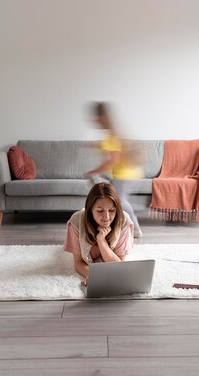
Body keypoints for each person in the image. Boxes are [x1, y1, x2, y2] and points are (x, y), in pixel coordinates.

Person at [84, 101, 144, 238]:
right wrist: (92, 146)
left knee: (121, 202)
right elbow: (110, 148)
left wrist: (94, 171)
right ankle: (128, 221)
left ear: (101, 118)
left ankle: (135, 228)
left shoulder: (111, 137)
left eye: (96, 117)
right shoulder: (112, 134)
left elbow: (113, 160)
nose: (94, 120)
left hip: (125, 176)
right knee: (118, 199)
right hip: (127, 174)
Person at [63, 182, 135, 285]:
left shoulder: (124, 221)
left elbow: (119, 265)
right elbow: (78, 262)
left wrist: (101, 241)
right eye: (100, 211)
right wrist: (92, 275)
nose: (107, 217)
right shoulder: (76, 221)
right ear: (90, 210)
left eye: (111, 210)